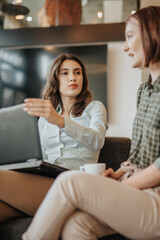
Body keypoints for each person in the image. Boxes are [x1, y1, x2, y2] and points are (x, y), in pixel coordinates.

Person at [22, 6, 160, 240]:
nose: (125, 46)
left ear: (152, 33)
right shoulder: (144, 90)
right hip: (135, 186)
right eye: (65, 74)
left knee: (69, 182)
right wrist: (117, 175)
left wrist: (124, 186)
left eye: (129, 36)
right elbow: (139, 156)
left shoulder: (94, 108)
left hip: (154, 195)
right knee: (75, 225)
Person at [0, 54, 107, 223]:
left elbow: (97, 140)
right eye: (64, 73)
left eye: (77, 72)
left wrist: (60, 121)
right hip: (45, 180)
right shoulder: (45, 117)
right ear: (55, 80)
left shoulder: (95, 108)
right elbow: (38, 155)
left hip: (72, 184)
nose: (73, 77)